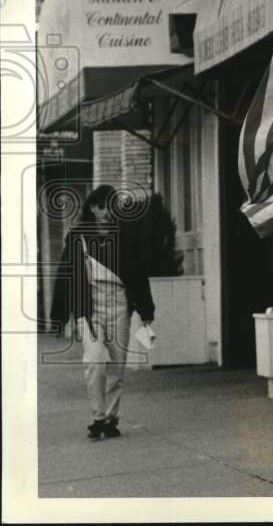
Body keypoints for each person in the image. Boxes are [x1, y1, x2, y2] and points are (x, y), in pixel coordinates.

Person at [51, 185, 155, 440]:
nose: (106, 211)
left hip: (119, 304)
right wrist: (60, 316)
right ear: (92, 208)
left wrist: (145, 309)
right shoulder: (78, 237)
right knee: (95, 361)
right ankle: (97, 417)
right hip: (89, 308)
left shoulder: (126, 236)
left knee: (117, 366)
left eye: (111, 206)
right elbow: (67, 277)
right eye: (101, 206)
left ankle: (110, 419)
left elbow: (138, 275)